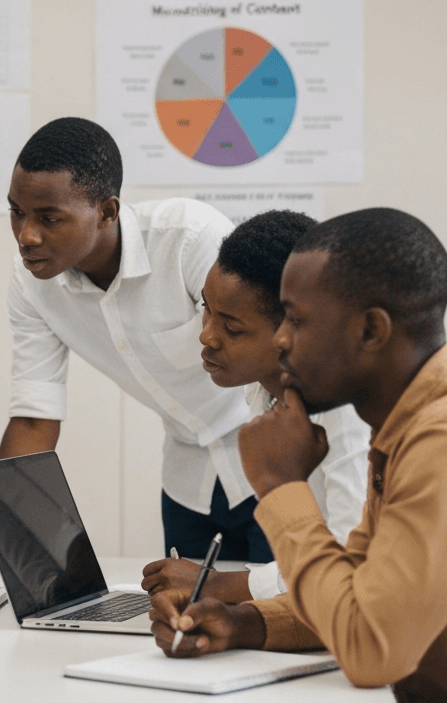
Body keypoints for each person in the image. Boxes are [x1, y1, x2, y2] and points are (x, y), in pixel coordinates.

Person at [148, 209, 447, 701]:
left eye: (298, 321)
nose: (281, 340)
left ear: (371, 331)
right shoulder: (409, 423)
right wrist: (241, 623)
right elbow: (355, 595)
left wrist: (282, 487)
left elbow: (370, 650)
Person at [0, 116, 261, 581]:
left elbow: (271, 355)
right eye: (16, 212)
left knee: (283, 608)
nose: (26, 235)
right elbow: (34, 419)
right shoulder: (33, 284)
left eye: (49, 218)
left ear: (107, 212)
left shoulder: (190, 240)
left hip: (275, 464)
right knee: (191, 614)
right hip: (189, 483)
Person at [140, 209, 368, 603]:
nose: (206, 337)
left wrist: (216, 586)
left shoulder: (346, 409)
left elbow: (352, 566)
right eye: (206, 309)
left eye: (232, 328)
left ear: (294, 330)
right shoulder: (264, 391)